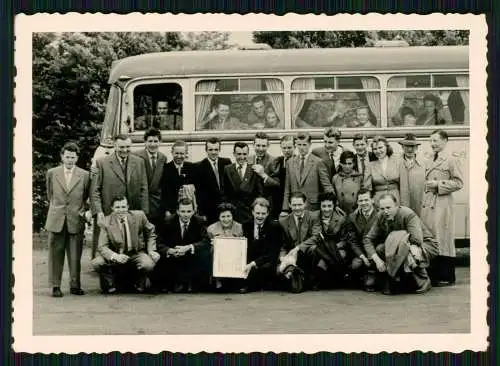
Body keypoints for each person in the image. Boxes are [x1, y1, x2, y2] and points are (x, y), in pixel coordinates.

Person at [363, 194, 435, 295]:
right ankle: (396, 279)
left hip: (423, 245)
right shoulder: (380, 216)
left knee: (406, 249)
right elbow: (368, 239)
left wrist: (396, 242)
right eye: (382, 208)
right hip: (400, 245)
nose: (385, 211)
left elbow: (417, 240)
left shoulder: (407, 214)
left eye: (388, 207)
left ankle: (423, 279)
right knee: (380, 249)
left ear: (397, 206)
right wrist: (377, 260)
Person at [90, 134, 149, 258]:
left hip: (131, 210)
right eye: (121, 147)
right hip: (109, 212)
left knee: (131, 245)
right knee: (109, 246)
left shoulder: (139, 162)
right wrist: (99, 212)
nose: (124, 150)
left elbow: (144, 188)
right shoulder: (102, 163)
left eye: (127, 147)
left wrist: (144, 212)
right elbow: (95, 191)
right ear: (115, 146)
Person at [44, 142, 90, 297]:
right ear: (62, 156)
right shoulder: (52, 173)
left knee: (75, 254)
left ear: (77, 158)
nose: (70, 160)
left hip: (75, 218)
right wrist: (58, 210)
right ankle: (55, 286)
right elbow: (50, 194)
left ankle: (75, 285)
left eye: (73, 157)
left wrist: (80, 212)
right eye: (67, 157)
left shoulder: (84, 175)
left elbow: (85, 197)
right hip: (56, 218)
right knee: (55, 254)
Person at [420, 130, 463, 286]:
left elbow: (459, 183)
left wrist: (439, 184)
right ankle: (434, 275)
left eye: (436, 141)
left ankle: (447, 276)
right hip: (429, 201)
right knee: (432, 237)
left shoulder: (451, 159)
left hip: (443, 203)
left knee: (443, 238)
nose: (433, 144)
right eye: (431, 141)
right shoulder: (429, 158)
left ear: (445, 141)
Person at [91, 196, 159, 294]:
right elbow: (102, 246)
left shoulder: (139, 216)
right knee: (97, 263)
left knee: (148, 264)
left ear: (128, 207)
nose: (121, 210)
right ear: (112, 208)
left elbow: (151, 232)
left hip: (136, 253)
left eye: (123, 207)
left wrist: (151, 250)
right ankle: (110, 283)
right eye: (117, 207)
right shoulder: (106, 222)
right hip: (116, 253)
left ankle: (139, 281)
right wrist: (115, 256)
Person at [152, 198, 211, 293]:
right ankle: (169, 284)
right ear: (177, 211)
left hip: (191, 257)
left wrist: (189, 247)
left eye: (189, 211)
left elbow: (205, 242)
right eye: (183, 211)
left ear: (193, 211)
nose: (186, 214)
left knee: (204, 255)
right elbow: (159, 243)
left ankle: (195, 284)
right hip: (173, 257)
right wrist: (169, 250)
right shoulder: (168, 221)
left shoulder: (200, 221)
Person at [299, 192, 349, 289]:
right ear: (320, 206)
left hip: (336, 247)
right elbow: (309, 235)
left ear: (334, 206)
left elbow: (344, 240)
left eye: (329, 206)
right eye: (324, 206)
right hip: (317, 246)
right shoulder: (313, 216)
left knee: (339, 255)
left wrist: (331, 248)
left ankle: (319, 279)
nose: (326, 209)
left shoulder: (341, 219)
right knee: (314, 249)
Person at [277, 192, 318, 293]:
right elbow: (282, 244)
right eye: (294, 205)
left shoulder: (313, 217)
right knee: (280, 271)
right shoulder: (284, 221)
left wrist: (299, 248)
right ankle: (294, 276)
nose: (297, 208)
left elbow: (316, 236)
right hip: (292, 256)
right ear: (290, 205)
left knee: (315, 248)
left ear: (305, 204)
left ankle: (312, 279)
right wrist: (282, 257)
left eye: (300, 204)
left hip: (307, 254)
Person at [239, 198, 283, 293]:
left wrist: (253, 263)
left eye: (263, 214)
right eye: (257, 213)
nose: (260, 216)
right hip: (250, 258)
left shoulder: (274, 227)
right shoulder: (246, 225)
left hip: (267, 260)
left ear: (267, 213)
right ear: (252, 212)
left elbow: (272, 253)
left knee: (266, 268)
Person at [282, 132, 333, 213]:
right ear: (296, 145)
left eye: (304, 145)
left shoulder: (318, 162)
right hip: (295, 207)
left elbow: (326, 185)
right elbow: (287, 188)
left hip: (312, 207)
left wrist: (333, 204)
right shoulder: (290, 162)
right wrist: (284, 209)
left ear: (310, 144)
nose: (301, 148)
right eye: (299, 145)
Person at [342, 189, 379, 291]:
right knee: (355, 265)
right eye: (361, 201)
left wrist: (373, 256)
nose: (364, 203)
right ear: (357, 202)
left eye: (366, 200)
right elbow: (352, 241)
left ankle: (374, 275)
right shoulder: (352, 217)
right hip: (361, 252)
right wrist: (362, 257)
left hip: (376, 251)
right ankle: (360, 276)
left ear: (372, 200)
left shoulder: (380, 214)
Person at [133, 128, 168, 232]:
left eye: (156, 141)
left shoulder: (163, 158)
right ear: (145, 142)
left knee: (155, 232)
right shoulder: (135, 156)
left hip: (156, 203)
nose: (153, 144)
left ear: (160, 142)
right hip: (140, 201)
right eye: (150, 141)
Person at [222, 142, 264, 224]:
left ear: (248, 154)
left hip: (250, 213)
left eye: (245, 154)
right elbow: (224, 192)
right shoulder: (227, 169)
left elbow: (259, 193)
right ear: (234, 154)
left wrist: (255, 210)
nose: (242, 157)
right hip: (233, 213)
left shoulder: (254, 169)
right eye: (239, 154)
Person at [206, 202, 244, 291]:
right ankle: (217, 281)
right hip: (218, 259)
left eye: (228, 216)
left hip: (234, 258)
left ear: (232, 216)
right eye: (223, 216)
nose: (226, 219)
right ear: (219, 217)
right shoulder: (211, 229)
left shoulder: (240, 228)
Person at [194, 137, 232, 225]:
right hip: (210, 210)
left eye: (216, 149)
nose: (213, 152)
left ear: (219, 149)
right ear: (206, 150)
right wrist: (202, 213)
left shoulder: (227, 162)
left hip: (226, 208)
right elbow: (199, 193)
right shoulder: (199, 167)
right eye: (210, 149)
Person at [161, 140, 197, 218]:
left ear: (186, 154)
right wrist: (166, 210)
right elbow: (164, 192)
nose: (179, 156)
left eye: (182, 153)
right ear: (172, 153)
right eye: (176, 153)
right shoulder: (166, 168)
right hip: (172, 209)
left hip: (188, 209)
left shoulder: (191, 167)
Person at [363, 135, 401, 206]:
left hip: (396, 199)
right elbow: (367, 188)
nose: (378, 151)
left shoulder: (397, 162)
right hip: (378, 201)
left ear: (386, 147)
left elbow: (403, 185)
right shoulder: (370, 165)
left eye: (380, 147)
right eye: (375, 149)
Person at [248, 132, 280, 214]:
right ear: (253, 145)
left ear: (268, 146)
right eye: (258, 145)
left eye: (263, 146)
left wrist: (263, 174)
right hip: (249, 203)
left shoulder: (274, 160)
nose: (261, 149)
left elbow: (277, 184)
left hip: (267, 203)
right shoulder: (248, 159)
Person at [398, 133, 425, 216]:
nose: (409, 149)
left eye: (412, 146)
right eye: (406, 146)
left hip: (420, 206)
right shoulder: (396, 163)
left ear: (416, 147)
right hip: (402, 206)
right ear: (402, 147)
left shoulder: (424, 163)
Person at [269, 135, 295, 218]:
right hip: (278, 200)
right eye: (284, 148)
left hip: (293, 201)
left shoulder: (298, 162)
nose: (286, 151)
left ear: (295, 147)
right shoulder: (277, 161)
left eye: (289, 147)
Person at [332, 150, 363, 215]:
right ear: (340, 163)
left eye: (349, 164)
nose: (347, 166)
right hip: (340, 212)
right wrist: (335, 206)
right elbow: (333, 196)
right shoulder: (336, 178)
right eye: (344, 164)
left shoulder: (359, 177)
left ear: (354, 164)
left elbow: (363, 194)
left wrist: (360, 207)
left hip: (356, 211)